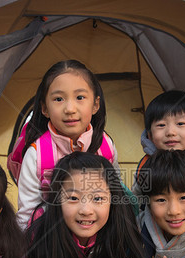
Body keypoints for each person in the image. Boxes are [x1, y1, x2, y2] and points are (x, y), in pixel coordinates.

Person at [25, 152, 147, 258]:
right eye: (73, 198)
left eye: (98, 199)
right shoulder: (42, 234)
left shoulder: (119, 229)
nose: (86, 210)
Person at [7, 60, 119, 228]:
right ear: (45, 108)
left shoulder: (106, 146)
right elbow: (27, 215)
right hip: (51, 239)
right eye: (59, 99)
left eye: (80, 97)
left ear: (95, 104)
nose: (70, 109)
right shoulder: (36, 154)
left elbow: (116, 195)